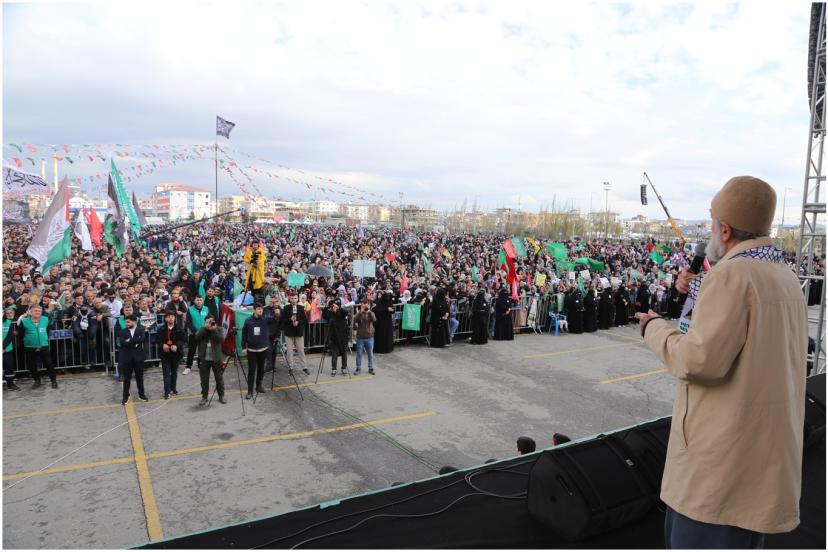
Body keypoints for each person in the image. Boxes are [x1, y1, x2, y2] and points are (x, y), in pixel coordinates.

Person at [635, 176, 807, 549]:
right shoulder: (785, 276)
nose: (710, 229)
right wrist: (697, 288)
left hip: (718, 475)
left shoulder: (731, 277)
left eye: (712, 220)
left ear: (725, 230)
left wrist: (654, 328)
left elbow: (697, 361)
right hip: (757, 467)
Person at [17, 304, 58, 389]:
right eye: (35, 311)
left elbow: (47, 330)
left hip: (43, 345)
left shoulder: (45, 319)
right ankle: (37, 381)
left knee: (49, 363)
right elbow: (21, 333)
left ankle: (53, 380)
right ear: (31, 312)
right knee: (32, 365)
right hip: (30, 346)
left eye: (39, 311)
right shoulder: (24, 321)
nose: (37, 312)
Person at [118, 314, 148, 405]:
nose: (126, 324)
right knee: (126, 378)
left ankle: (141, 395)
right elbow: (122, 342)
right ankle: (125, 397)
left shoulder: (141, 329)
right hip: (127, 357)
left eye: (128, 322)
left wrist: (129, 341)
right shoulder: (123, 331)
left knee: (140, 377)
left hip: (138, 357)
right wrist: (135, 341)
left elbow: (142, 339)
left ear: (134, 321)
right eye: (126, 322)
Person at [241, 303, 269, 399]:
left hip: (263, 349)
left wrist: (276, 311)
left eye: (261, 309)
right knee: (251, 370)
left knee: (261, 369)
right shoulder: (248, 321)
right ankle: (250, 391)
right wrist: (243, 347)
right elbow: (244, 334)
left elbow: (276, 319)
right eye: (258, 309)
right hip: (251, 350)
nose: (260, 310)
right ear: (254, 310)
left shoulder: (265, 319)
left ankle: (258, 386)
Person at [195, 314, 225, 406]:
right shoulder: (202, 329)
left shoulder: (219, 329)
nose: (209, 324)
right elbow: (197, 337)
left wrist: (214, 329)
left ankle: (221, 396)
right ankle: (204, 397)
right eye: (207, 322)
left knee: (219, 379)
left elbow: (221, 340)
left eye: (211, 321)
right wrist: (205, 328)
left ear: (214, 322)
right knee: (204, 380)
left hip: (216, 359)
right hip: (204, 359)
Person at [158, 310, 185, 400]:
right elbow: (157, 340)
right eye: (168, 317)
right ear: (165, 318)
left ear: (175, 318)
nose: (171, 318)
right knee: (166, 373)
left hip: (175, 354)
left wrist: (177, 345)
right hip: (165, 354)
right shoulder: (161, 329)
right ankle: (167, 391)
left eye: (172, 316)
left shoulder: (179, 328)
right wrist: (163, 345)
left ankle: (173, 389)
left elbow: (184, 339)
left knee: (174, 373)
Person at [281, 293, 309, 375]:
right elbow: (283, 320)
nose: (293, 300)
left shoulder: (301, 308)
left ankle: (304, 367)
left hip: (298, 332)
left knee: (301, 350)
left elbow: (305, 320)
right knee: (289, 352)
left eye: (295, 298)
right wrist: (290, 319)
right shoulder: (286, 308)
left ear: (297, 299)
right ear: (290, 299)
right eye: (292, 298)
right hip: (289, 333)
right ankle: (290, 367)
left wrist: (298, 322)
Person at [323, 298, 350, 376]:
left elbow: (346, 312)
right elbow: (324, 316)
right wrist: (326, 305)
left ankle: (344, 368)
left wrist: (338, 308)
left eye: (336, 306)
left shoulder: (341, 312)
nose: (334, 307)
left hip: (343, 337)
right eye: (333, 306)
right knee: (334, 355)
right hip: (334, 337)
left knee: (344, 354)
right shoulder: (330, 313)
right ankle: (334, 369)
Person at [184, 295, 209, 375]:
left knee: (202, 351)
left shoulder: (206, 309)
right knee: (191, 351)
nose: (199, 302)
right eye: (197, 300)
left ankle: (200, 366)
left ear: (202, 301)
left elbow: (209, 320)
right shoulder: (190, 309)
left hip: (204, 333)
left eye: (200, 300)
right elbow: (189, 323)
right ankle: (188, 367)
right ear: (194, 301)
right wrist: (196, 331)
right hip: (194, 334)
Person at [354, 299, 376, 375]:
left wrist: (369, 311)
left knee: (370, 354)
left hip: (369, 336)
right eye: (363, 305)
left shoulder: (370, 313)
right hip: (360, 337)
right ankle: (358, 368)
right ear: (361, 305)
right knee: (359, 354)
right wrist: (360, 312)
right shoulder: (359, 313)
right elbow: (355, 320)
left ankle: (371, 368)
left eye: (366, 304)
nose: (364, 306)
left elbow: (374, 319)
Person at [3, 306, 21, 390]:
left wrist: (2, 347)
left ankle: (10, 384)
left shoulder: (8, 322)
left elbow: (10, 335)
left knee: (9, 366)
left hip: (7, 348)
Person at [372, 289, 395, 353]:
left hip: (388, 322)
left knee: (387, 335)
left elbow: (393, 310)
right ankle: (379, 349)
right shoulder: (379, 302)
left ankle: (388, 348)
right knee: (380, 335)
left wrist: (392, 310)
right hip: (380, 322)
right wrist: (386, 309)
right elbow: (377, 310)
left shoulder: (389, 302)